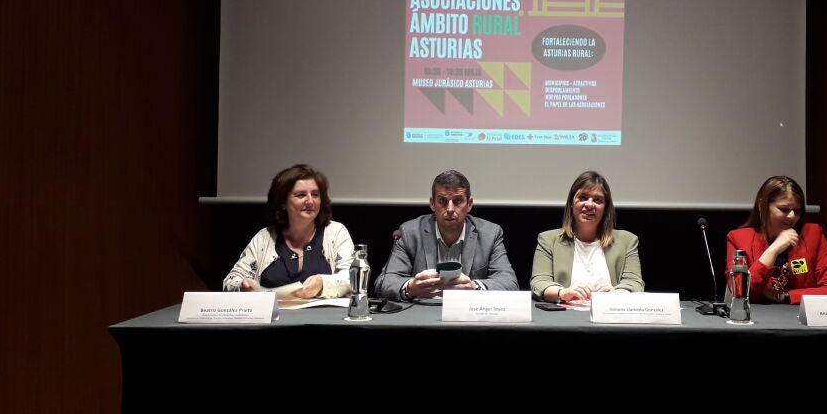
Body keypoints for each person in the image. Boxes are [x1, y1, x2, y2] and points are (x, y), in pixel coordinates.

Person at [375, 169, 519, 301]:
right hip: (422, 314)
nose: (450, 209)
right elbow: (384, 283)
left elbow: (509, 283)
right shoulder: (410, 233)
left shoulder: (490, 234)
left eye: (458, 201)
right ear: (432, 203)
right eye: (442, 201)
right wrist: (410, 287)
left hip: (467, 314)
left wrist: (474, 287)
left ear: (469, 204)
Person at [223, 163, 355, 298]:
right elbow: (231, 280)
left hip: (325, 312)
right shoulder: (264, 238)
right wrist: (242, 286)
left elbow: (352, 277)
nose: (310, 201)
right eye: (301, 195)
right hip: (275, 312)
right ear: (282, 203)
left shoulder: (335, 233)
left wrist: (323, 284)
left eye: (315, 195)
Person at [726, 175, 827, 304]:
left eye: (797, 211)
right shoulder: (739, 239)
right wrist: (773, 250)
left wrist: (784, 296)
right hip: (758, 315)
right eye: (784, 209)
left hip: (799, 314)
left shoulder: (813, 235)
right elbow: (739, 292)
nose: (792, 216)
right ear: (762, 206)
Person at [531, 170, 644, 303]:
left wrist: (616, 294)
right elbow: (539, 283)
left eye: (597, 200)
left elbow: (634, 283)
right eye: (583, 197)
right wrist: (564, 293)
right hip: (565, 313)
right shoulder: (548, 240)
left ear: (605, 208)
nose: (589, 204)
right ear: (571, 202)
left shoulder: (627, 241)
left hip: (609, 313)